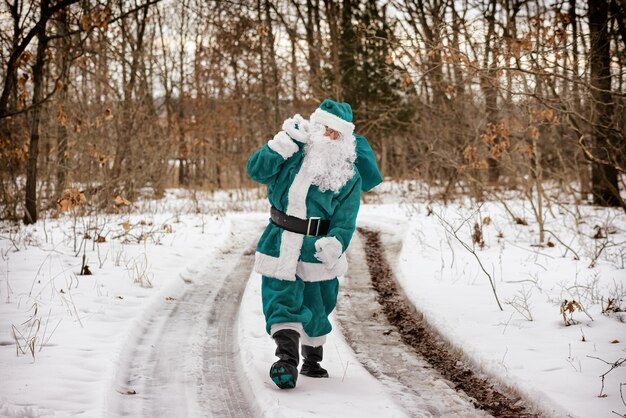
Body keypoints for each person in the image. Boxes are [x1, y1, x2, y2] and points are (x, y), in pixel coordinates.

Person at [246, 99, 381, 389]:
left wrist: (336, 243)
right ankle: (286, 361)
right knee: (280, 300)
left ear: (345, 139)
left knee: (318, 306)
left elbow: (346, 218)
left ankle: (312, 357)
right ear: (315, 128)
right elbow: (255, 171)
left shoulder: (348, 175)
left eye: (336, 133)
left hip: (317, 248)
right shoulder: (291, 154)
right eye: (324, 129)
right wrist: (279, 145)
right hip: (279, 241)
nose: (329, 137)